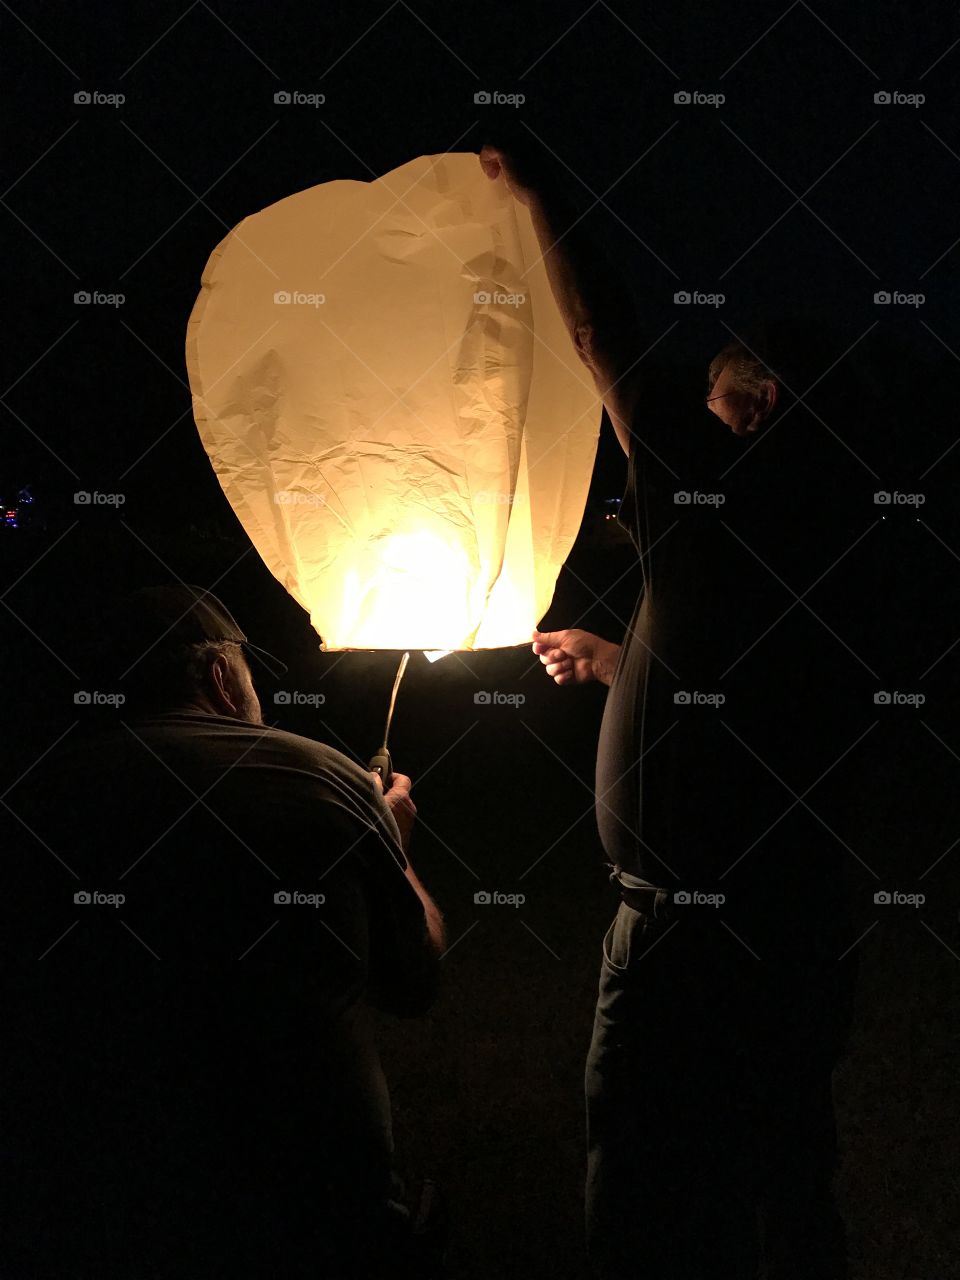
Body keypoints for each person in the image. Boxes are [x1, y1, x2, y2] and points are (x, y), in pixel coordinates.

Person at [481, 143, 877, 1278]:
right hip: (799, 917)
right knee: (785, 1159)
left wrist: (541, 190)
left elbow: (603, 338)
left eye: (710, 408)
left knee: (642, 1163)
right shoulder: (844, 530)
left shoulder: (727, 493)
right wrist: (622, 663)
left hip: (690, 935)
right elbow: (760, 696)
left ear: (757, 407)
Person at [1, 584, 446, 1279]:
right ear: (218, 676)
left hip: (94, 1196)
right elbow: (414, 981)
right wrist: (396, 845)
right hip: (315, 1194)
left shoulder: (33, 792)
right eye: (248, 671)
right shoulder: (323, 776)